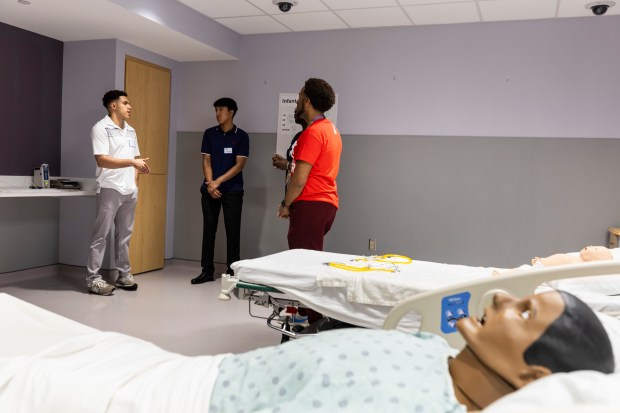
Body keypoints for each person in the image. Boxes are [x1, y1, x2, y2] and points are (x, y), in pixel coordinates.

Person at [209, 289, 614, 412]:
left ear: (531, 378)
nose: (499, 295)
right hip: (221, 372)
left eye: (524, 311)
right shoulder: (434, 352)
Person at [86, 90, 150, 296]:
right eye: (125, 103)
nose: (129, 107)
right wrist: (132, 162)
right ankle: (93, 279)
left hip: (130, 191)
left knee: (125, 236)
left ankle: (124, 274)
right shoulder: (100, 128)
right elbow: (102, 160)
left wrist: (135, 182)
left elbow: (137, 158)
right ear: (113, 106)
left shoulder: (131, 130)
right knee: (100, 235)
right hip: (110, 189)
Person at [277, 78, 342, 252]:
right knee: (309, 256)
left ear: (307, 101)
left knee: (301, 262)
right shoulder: (331, 130)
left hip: (310, 203)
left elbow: (299, 179)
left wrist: (286, 204)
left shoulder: (312, 133)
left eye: (299, 97)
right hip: (326, 204)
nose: (296, 102)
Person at [192, 98, 249, 285]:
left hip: (233, 190)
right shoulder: (209, 134)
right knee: (208, 230)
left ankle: (233, 273)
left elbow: (239, 165)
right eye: (216, 109)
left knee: (233, 232)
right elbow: (206, 161)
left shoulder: (242, 136)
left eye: (221, 109)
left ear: (231, 112)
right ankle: (206, 271)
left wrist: (217, 182)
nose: (217, 113)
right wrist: (210, 184)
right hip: (210, 190)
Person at [271, 113, 307, 193]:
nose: (295, 111)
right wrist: (282, 161)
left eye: (298, 106)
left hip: (305, 195)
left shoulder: (311, 136)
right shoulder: (298, 135)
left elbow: (306, 170)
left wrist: (287, 165)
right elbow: (294, 162)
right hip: (292, 192)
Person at [532, 245, 613, 267]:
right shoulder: (572, 258)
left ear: (594, 261)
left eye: (595, 249)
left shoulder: (571, 261)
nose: (591, 246)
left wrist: (541, 262)